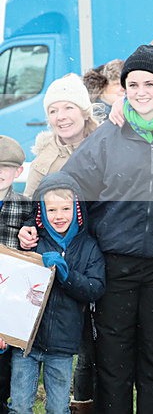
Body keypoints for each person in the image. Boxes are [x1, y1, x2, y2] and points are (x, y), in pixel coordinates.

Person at [20, 45, 153, 413]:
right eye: (133, 85)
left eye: (149, 83)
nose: (141, 92)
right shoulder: (109, 134)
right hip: (116, 261)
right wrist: (33, 220)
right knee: (114, 356)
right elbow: (68, 180)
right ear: (124, 88)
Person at [7, 172, 105, 414]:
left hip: (63, 345)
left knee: (59, 408)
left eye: (65, 209)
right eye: (51, 210)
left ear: (78, 211)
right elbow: (12, 288)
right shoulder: (32, 242)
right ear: (41, 212)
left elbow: (95, 288)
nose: (59, 216)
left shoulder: (89, 247)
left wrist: (66, 275)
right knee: (19, 406)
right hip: (26, 344)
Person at [0, 136, 34, 414]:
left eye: (6, 168)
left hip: (10, 300)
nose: (0, 173)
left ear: (18, 172)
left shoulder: (26, 206)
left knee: (5, 364)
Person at [24, 74, 99, 197]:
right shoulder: (44, 159)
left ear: (85, 114)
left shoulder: (105, 147)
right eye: (53, 111)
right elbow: (30, 207)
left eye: (68, 108)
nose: (60, 117)